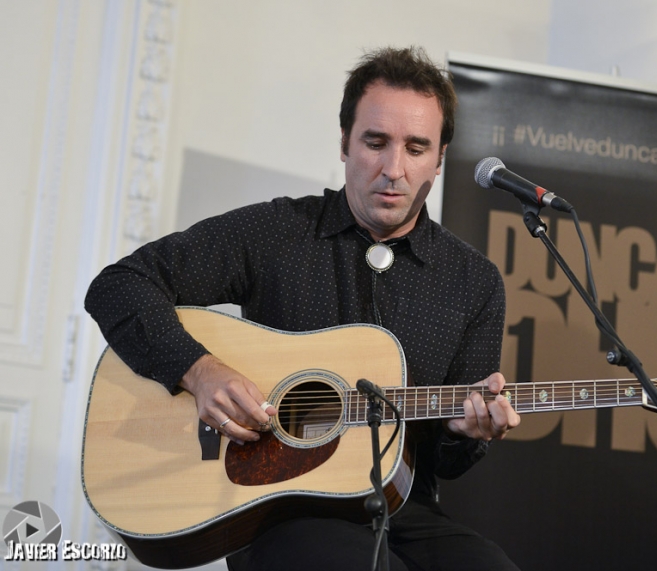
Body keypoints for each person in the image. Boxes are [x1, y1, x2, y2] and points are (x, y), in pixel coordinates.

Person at [85, 46, 521, 571]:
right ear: (344, 143)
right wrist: (197, 370)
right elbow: (119, 285)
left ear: (440, 158)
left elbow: (446, 463)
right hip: (277, 508)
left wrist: (463, 431)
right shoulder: (278, 232)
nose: (393, 169)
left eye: (416, 148)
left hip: (402, 508)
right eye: (375, 143)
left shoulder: (474, 282)